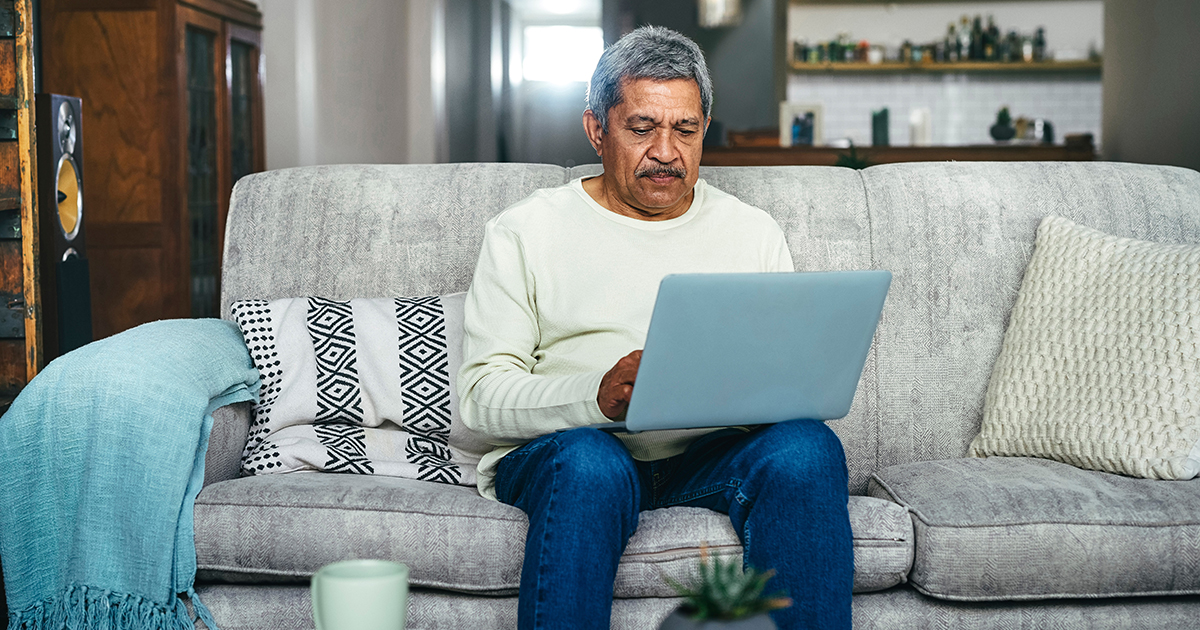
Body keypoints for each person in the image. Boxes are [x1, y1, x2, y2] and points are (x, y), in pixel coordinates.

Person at [458, 25, 852, 630]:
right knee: (591, 462)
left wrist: (776, 387)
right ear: (596, 128)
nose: (666, 152)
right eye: (642, 129)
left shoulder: (752, 232)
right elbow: (481, 398)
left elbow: (784, 377)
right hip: (574, 453)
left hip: (704, 457)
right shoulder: (524, 231)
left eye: (685, 131)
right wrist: (596, 396)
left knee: (807, 447)